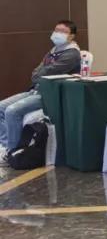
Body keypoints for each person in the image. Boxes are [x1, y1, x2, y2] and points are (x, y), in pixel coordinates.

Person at [0, 20, 80, 156]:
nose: (57, 33)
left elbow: (48, 72)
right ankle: (7, 145)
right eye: (56, 30)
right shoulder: (53, 51)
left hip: (50, 94)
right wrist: (39, 75)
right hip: (36, 89)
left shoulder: (71, 54)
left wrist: (39, 75)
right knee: (1, 108)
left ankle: (13, 152)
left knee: (12, 111)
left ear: (71, 36)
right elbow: (37, 72)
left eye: (63, 31)